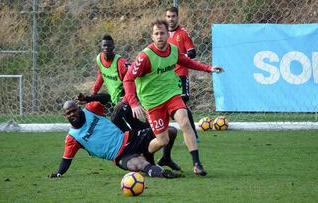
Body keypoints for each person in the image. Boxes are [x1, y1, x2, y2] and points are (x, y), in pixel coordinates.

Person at [123, 19, 224, 176]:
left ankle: (197, 164)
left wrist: (208, 68)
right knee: (163, 140)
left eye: (162, 33)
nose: (160, 36)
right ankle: (146, 155)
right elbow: (128, 79)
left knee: (184, 120)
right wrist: (134, 102)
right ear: (152, 37)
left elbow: (188, 62)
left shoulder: (174, 50)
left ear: (167, 34)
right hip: (152, 102)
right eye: (156, 34)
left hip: (171, 95)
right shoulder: (145, 57)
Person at [48, 93, 181, 179]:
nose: (72, 114)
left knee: (171, 131)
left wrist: (88, 98)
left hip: (130, 138)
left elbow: (106, 98)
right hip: (120, 156)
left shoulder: (90, 109)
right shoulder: (73, 137)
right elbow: (66, 159)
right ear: (65, 116)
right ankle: (162, 173)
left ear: (78, 108)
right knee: (138, 165)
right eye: (68, 113)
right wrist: (59, 173)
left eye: (73, 110)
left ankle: (165, 158)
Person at [91, 34, 149, 132]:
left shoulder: (120, 63)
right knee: (135, 124)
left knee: (115, 119)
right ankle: (151, 133)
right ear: (101, 47)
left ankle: (131, 139)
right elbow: (101, 75)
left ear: (113, 47)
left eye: (109, 46)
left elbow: (133, 80)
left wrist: (124, 100)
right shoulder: (99, 59)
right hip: (116, 98)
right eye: (104, 45)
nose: (106, 48)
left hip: (126, 96)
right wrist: (94, 91)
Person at [166, 6, 200, 143]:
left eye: (173, 16)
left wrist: (178, 57)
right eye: (168, 16)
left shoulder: (183, 33)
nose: (170, 19)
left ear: (178, 17)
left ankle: (193, 136)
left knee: (182, 105)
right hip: (166, 76)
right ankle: (161, 135)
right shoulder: (162, 34)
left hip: (181, 74)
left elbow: (192, 53)